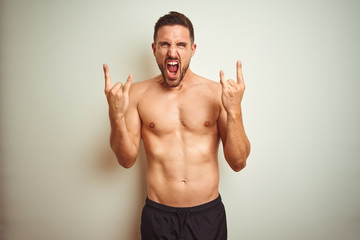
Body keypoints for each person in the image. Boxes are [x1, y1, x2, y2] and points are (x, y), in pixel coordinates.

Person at [103, 11, 250, 240]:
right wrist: (116, 116)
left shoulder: (217, 94)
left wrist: (234, 111)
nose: (172, 52)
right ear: (154, 50)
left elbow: (238, 162)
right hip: (158, 215)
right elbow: (126, 160)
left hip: (207, 215)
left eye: (181, 45)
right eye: (164, 44)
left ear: (192, 49)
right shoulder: (137, 94)